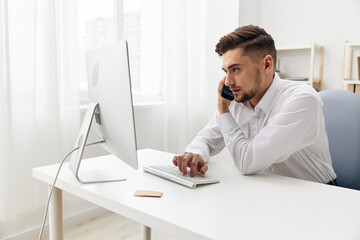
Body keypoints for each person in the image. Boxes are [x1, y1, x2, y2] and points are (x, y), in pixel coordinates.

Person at [172, 25, 337, 184]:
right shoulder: (238, 99)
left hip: (315, 197)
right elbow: (206, 140)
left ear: (266, 65)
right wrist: (195, 154)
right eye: (225, 71)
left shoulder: (302, 99)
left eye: (235, 69)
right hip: (264, 192)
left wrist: (223, 110)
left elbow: (247, 161)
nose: (228, 82)